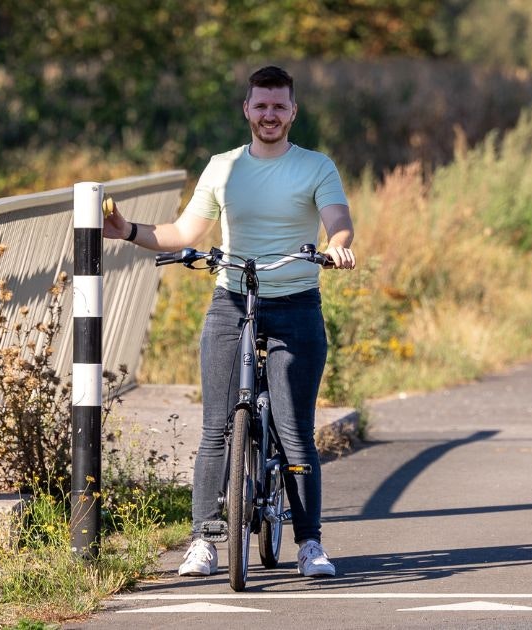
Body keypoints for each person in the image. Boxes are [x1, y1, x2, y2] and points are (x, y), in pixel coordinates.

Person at [103, 65, 356, 578]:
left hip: (296, 303)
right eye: (260, 105)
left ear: (292, 112)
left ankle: (310, 544)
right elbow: (182, 231)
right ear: (246, 109)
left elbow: (339, 222)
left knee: (295, 432)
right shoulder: (222, 167)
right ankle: (204, 540)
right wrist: (127, 229)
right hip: (232, 302)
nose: (269, 115)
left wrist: (336, 248)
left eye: (278, 107)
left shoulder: (316, 166)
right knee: (215, 430)